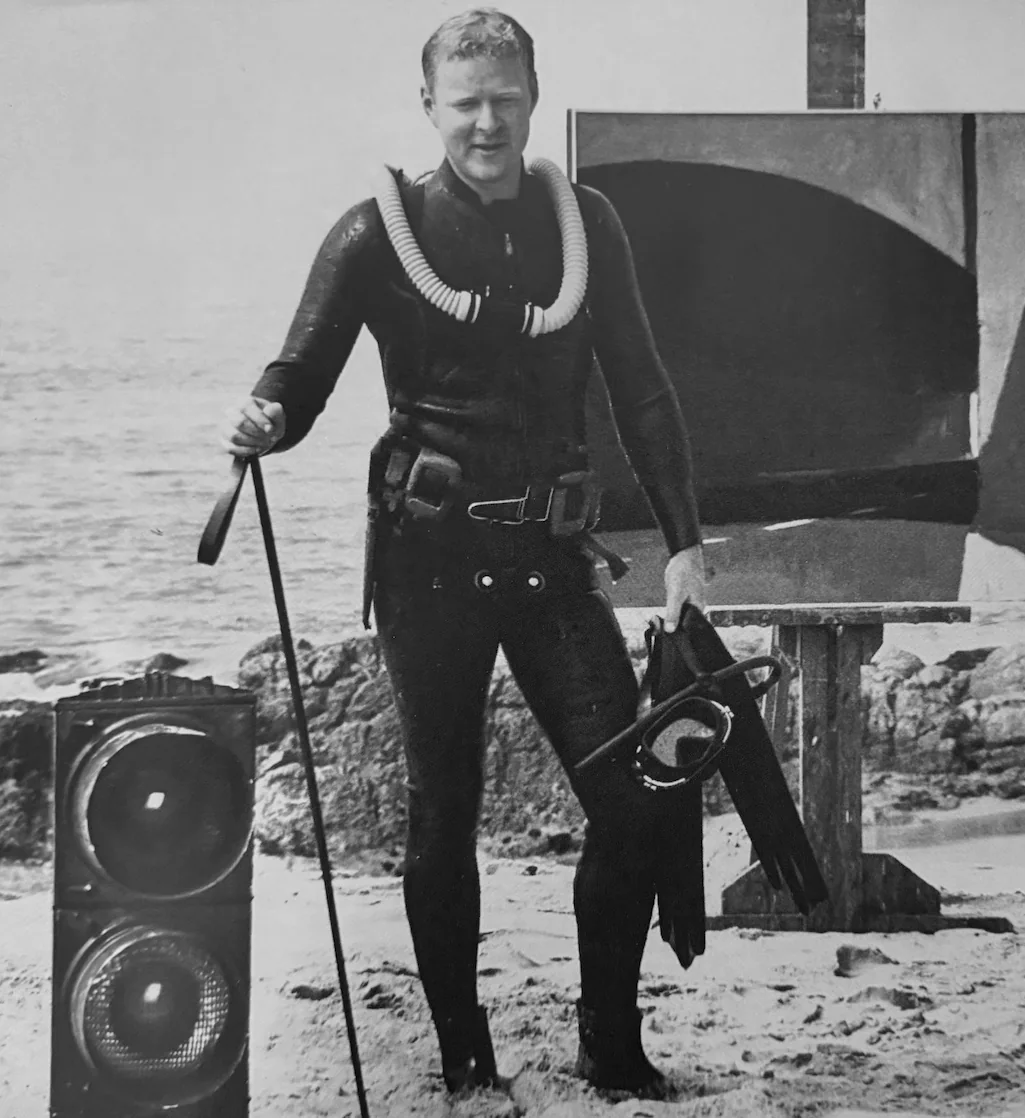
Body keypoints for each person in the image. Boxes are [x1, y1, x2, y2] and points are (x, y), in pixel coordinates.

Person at [220, 7, 707, 1098]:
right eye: (465, 101)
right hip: (426, 563)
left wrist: (685, 544)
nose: (487, 122)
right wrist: (262, 415)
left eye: (506, 99)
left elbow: (644, 385)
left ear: (534, 98)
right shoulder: (373, 232)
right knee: (444, 815)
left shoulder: (587, 224)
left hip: (549, 559)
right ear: (430, 106)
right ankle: (462, 1047)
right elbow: (299, 373)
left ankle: (610, 1039)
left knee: (633, 797)